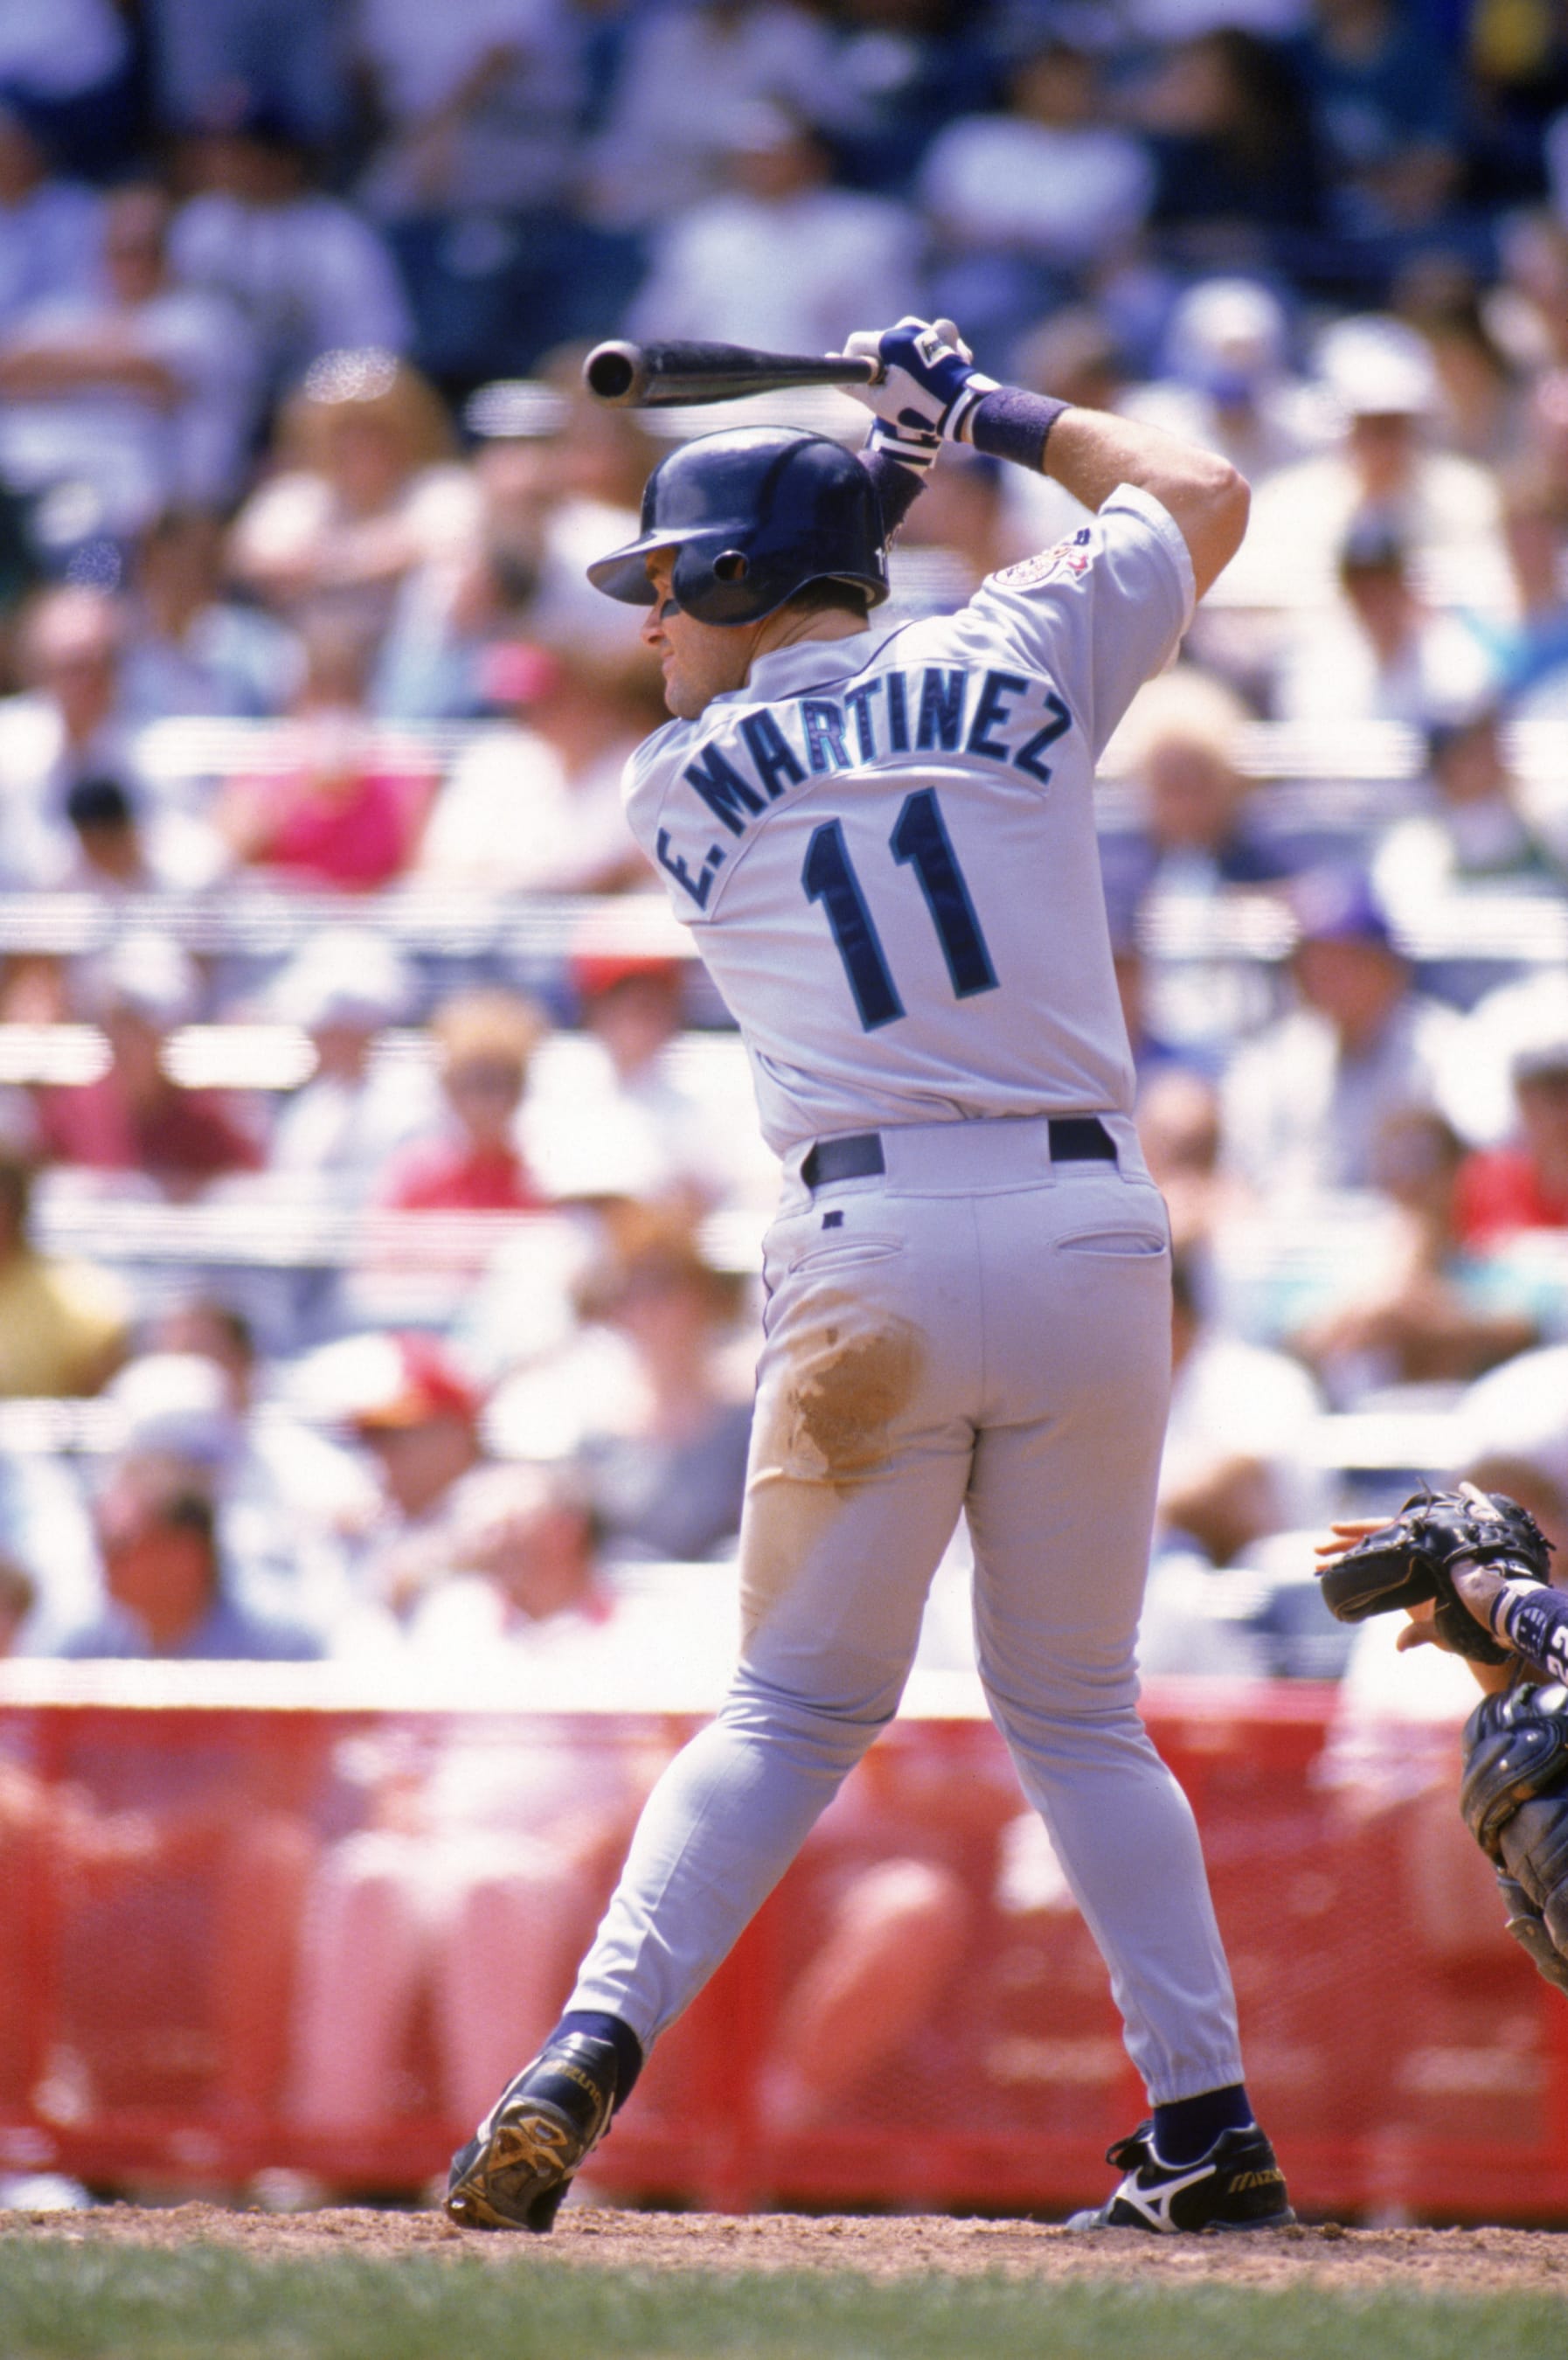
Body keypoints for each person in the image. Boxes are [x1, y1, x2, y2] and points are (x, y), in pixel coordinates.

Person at [446, 316, 1293, 2236]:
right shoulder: (1016, 648)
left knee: (788, 1712)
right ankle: (1211, 2122)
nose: (653, 624)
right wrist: (982, 415)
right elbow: (1203, 492)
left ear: (740, 583)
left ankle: (587, 2049)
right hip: (1089, 1233)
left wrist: (887, 465)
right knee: (1079, 1711)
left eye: (671, 583)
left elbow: (809, 675)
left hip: (869, 1251)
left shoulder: (672, 783)